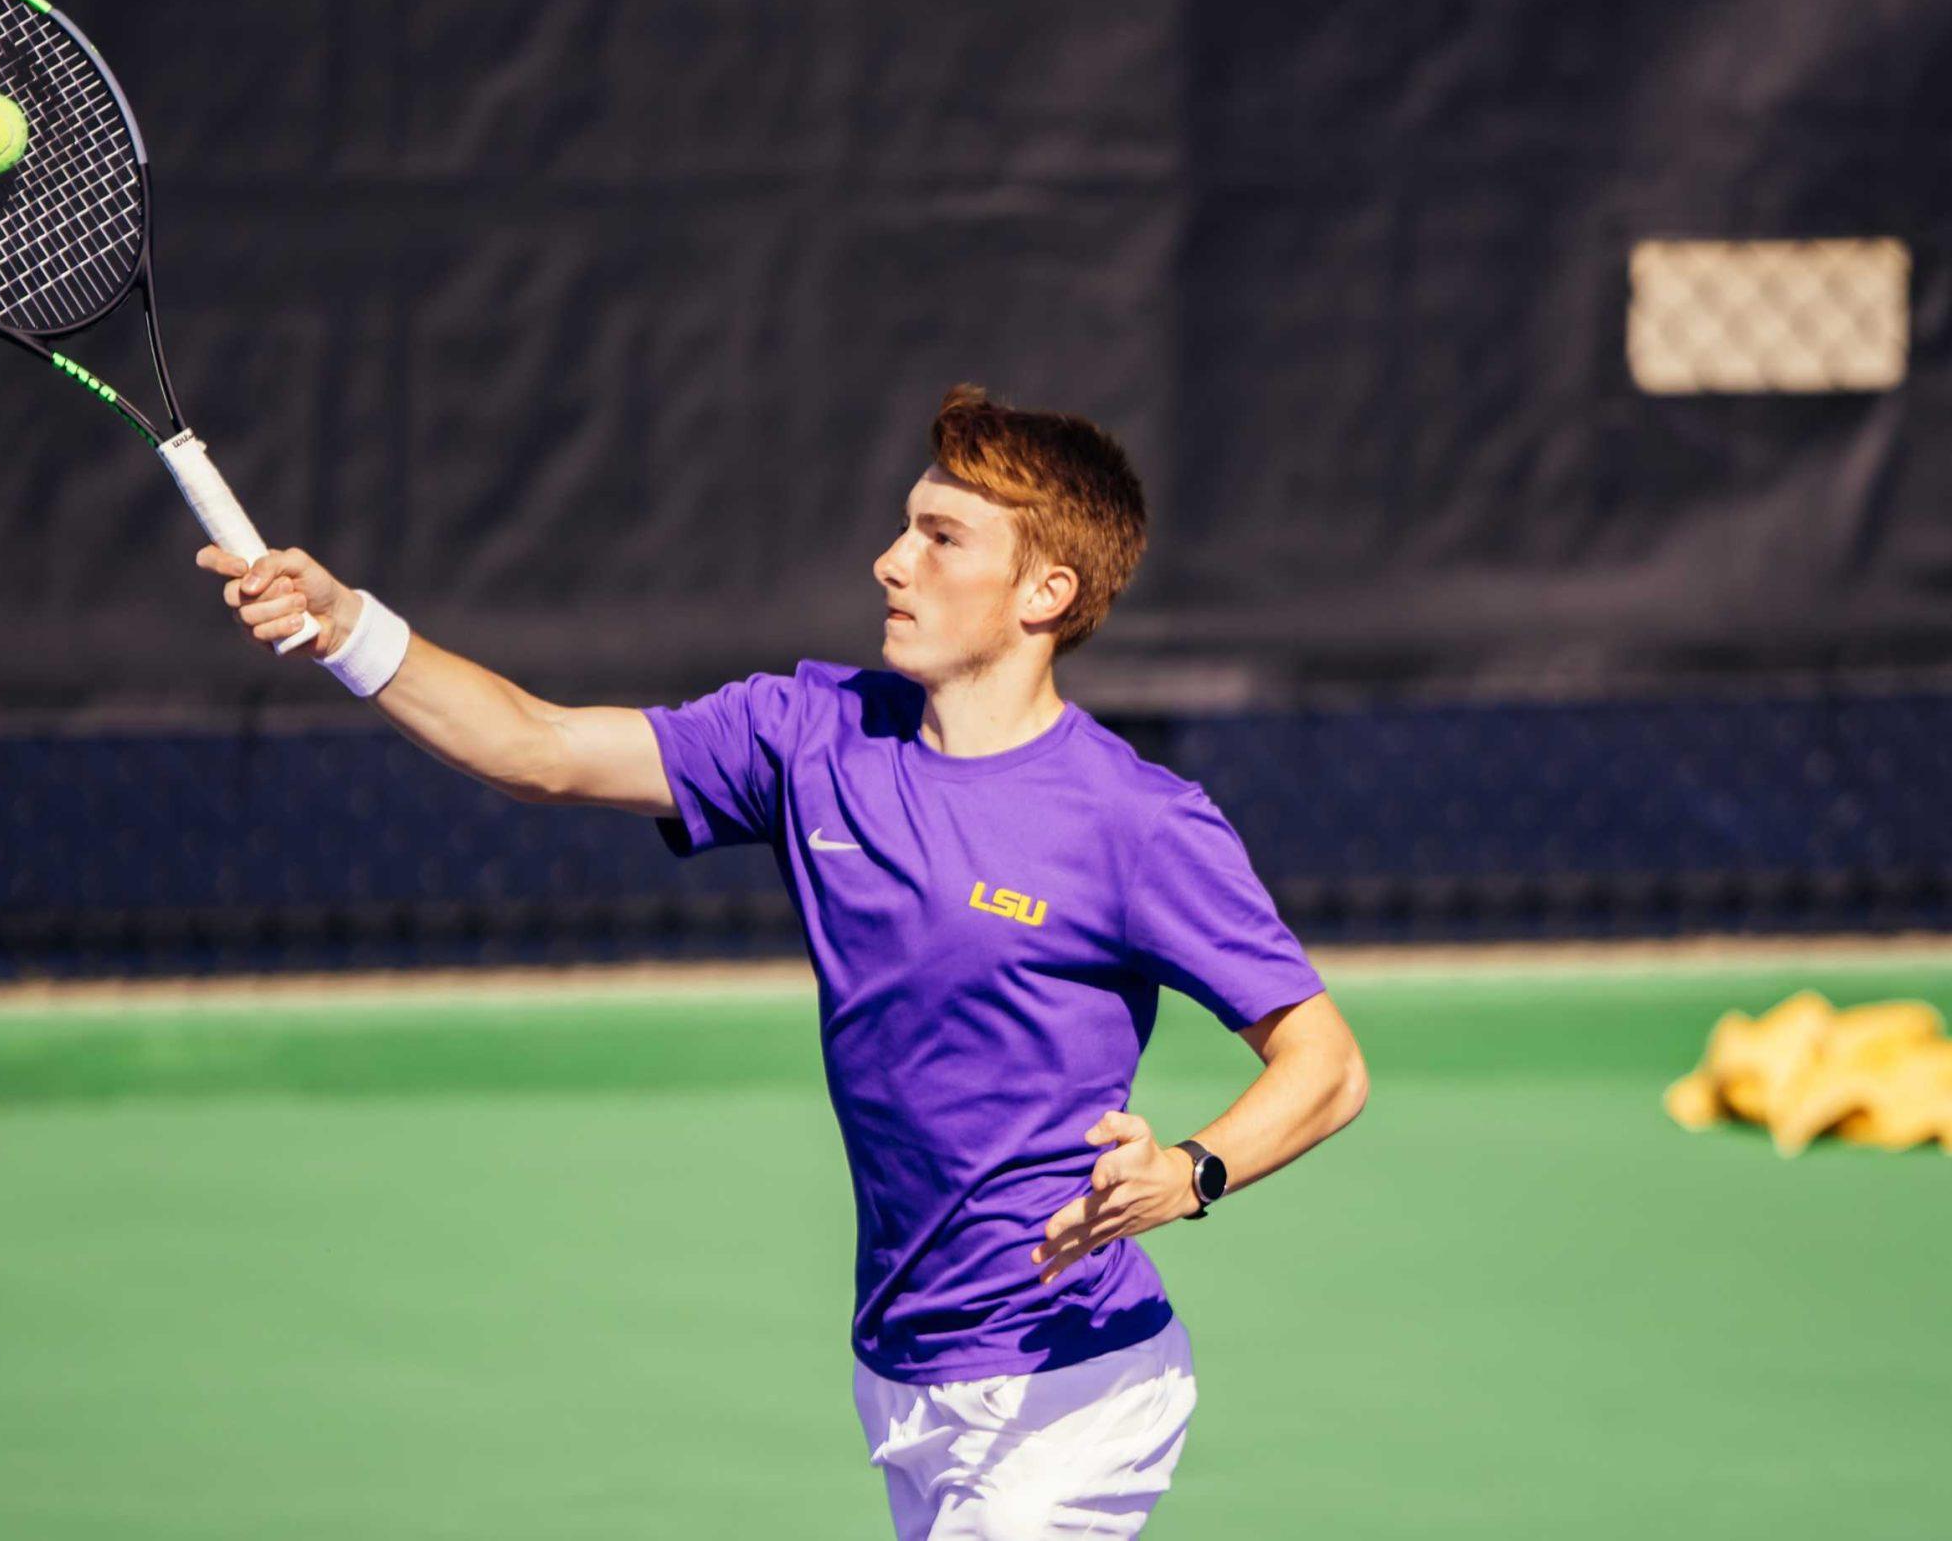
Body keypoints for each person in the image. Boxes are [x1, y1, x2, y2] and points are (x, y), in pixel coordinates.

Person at [196, 383, 1369, 1540]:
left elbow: (1323, 1061)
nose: (890, 561)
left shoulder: (1137, 822)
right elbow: (536, 746)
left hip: (1068, 1391)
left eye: (940, 537)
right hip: (904, 1369)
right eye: (906, 524)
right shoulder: (811, 735)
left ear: (1045, 593)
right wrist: (351, 626)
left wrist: (1191, 1174)